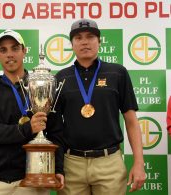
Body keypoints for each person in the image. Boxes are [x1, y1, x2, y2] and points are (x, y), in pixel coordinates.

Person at [48, 19, 146, 195]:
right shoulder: (61, 78)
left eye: (90, 37)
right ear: (72, 44)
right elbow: (56, 129)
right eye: (78, 38)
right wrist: (58, 167)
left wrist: (139, 164)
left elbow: (131, 121)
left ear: (99, 42)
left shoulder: (118, 73)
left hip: (109, 163)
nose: (85, 41)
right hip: (72, 163)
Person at [0, 29, 63, 195]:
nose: (9, 54)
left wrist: (57, 168)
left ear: (24, 51)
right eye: (3, 50)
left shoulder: (42, 84)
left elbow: (56, 132)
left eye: (15, 48)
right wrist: (26, 129)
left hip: (34, 178)